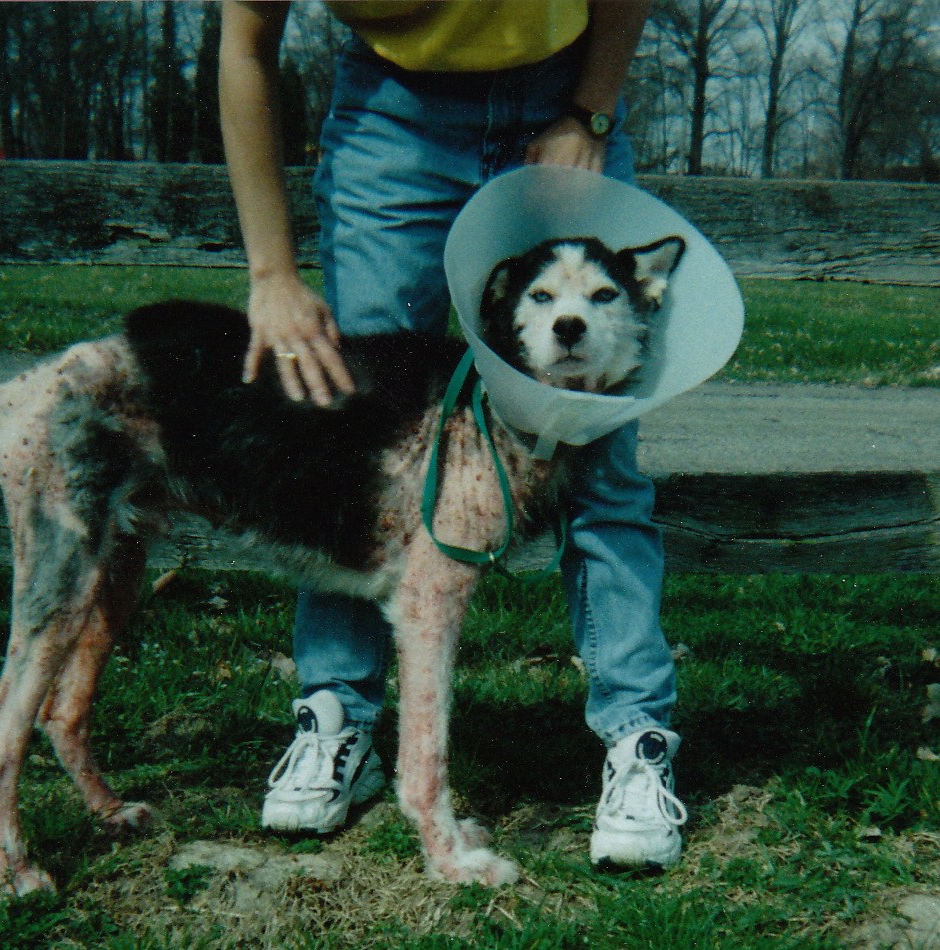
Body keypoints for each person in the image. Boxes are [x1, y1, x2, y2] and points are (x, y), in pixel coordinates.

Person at [218, 0, 687, 869]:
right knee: (352, 441)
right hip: (394, 114)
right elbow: (246, 39)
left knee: (603, 458)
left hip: (563, 90)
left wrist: (591, 109)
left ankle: (637, 741)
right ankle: (335, 717)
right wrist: (271, 271)